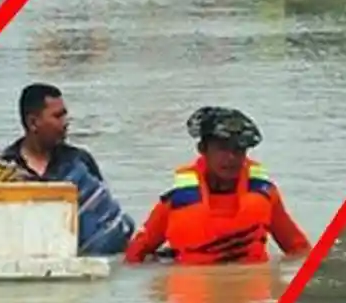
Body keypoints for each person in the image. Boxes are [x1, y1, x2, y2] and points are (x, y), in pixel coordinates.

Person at [124, 107, 310, 265]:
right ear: (203, 149)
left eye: (238, 150)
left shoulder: (266, 195)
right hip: (192, 300)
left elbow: (299, 250)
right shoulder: (176, 201)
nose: (231, 158)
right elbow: (135, 256)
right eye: (222, 148)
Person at [0, 83, 135, 256]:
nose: (66, 123)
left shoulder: (79, 162)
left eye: (65, 116)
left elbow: (107, 222)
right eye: (58, 117)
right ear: (33, 122)